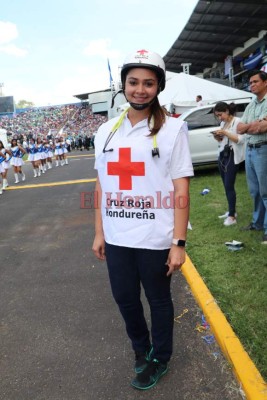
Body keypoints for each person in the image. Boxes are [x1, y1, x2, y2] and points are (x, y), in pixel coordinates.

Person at [92, 49, 194, 390]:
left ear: (158, 86)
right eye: (133, 82)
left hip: (154, 235)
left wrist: (178, 243)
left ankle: (160, 357)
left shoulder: (174, 129)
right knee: (125, 299)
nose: (140, 89)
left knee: (159, 299)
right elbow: (101, 184)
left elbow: (181, 186)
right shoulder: (105, 131)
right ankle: (141, 349)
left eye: (148, 83)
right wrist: (99, 232)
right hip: (118, 235)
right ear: (123, 85)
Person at [237, 70, 267, 244]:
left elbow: (262, 128)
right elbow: (239, 128)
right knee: (254, 191)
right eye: (250, 82)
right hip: (250, 150)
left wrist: (253, 126)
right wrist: (254, 125)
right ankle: (257, 223)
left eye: (255, 81)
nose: (252, 85)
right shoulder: (252, 104)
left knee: (265, 192)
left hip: (263, 149)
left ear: (265, 82)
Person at [212, 102, 246, 226]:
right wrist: (218, 136)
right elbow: (223, 140)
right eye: (217, 116)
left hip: (232, 156)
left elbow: (240, 140)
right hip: (222, 155)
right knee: (226, 186)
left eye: (220, 114)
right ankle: (232, 211)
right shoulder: (223, 123)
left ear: (227, 111)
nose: (219, 118)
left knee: (229, 185)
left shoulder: (238, 121)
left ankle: (232, 217)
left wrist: (225, 132)